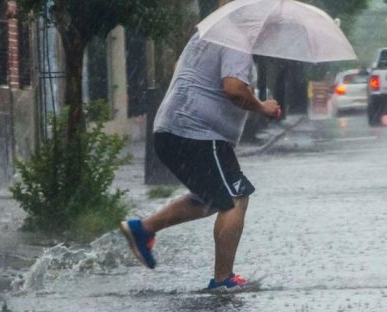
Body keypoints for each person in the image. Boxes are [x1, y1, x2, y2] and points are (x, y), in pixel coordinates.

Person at [120, 32, 280, 291]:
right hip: (198, 133)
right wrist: (263, 107)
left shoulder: (205, 36)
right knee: (236, 195)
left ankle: (143, 229)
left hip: (175, 130)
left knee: (211, 198)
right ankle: (223, 279)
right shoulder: (236, 40)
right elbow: (233, 89)